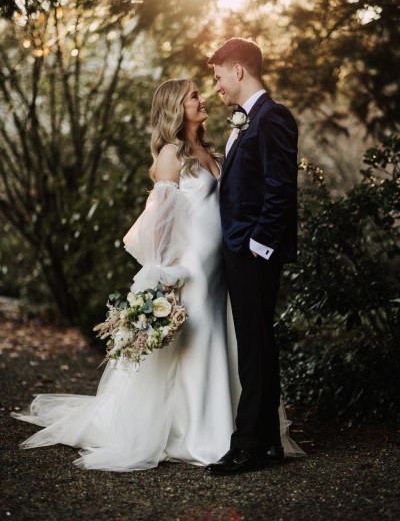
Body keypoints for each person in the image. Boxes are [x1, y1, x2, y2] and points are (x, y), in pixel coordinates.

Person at [12, 78, 302, 472]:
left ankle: (237, 426)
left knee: (225, 336)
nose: (203, 100)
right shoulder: (171, 155)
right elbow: (160, 222)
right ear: (176, 109)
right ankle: (196, 429)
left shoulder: (211, 151)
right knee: (200, 339)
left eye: (201, 93)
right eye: (194, 97)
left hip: (224, 265)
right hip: (194, 268)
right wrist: (165, 274)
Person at [205, 38, 299, 475]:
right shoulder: (246, 120)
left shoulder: (272, 117)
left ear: (238, 70)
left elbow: (280, 189)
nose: (217, 85)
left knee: (255, 348)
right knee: (257, 346)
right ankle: (265, 444)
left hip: (253, 253)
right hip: (242, 251)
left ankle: (246, 448)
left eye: (219, 74)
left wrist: (256, 247)